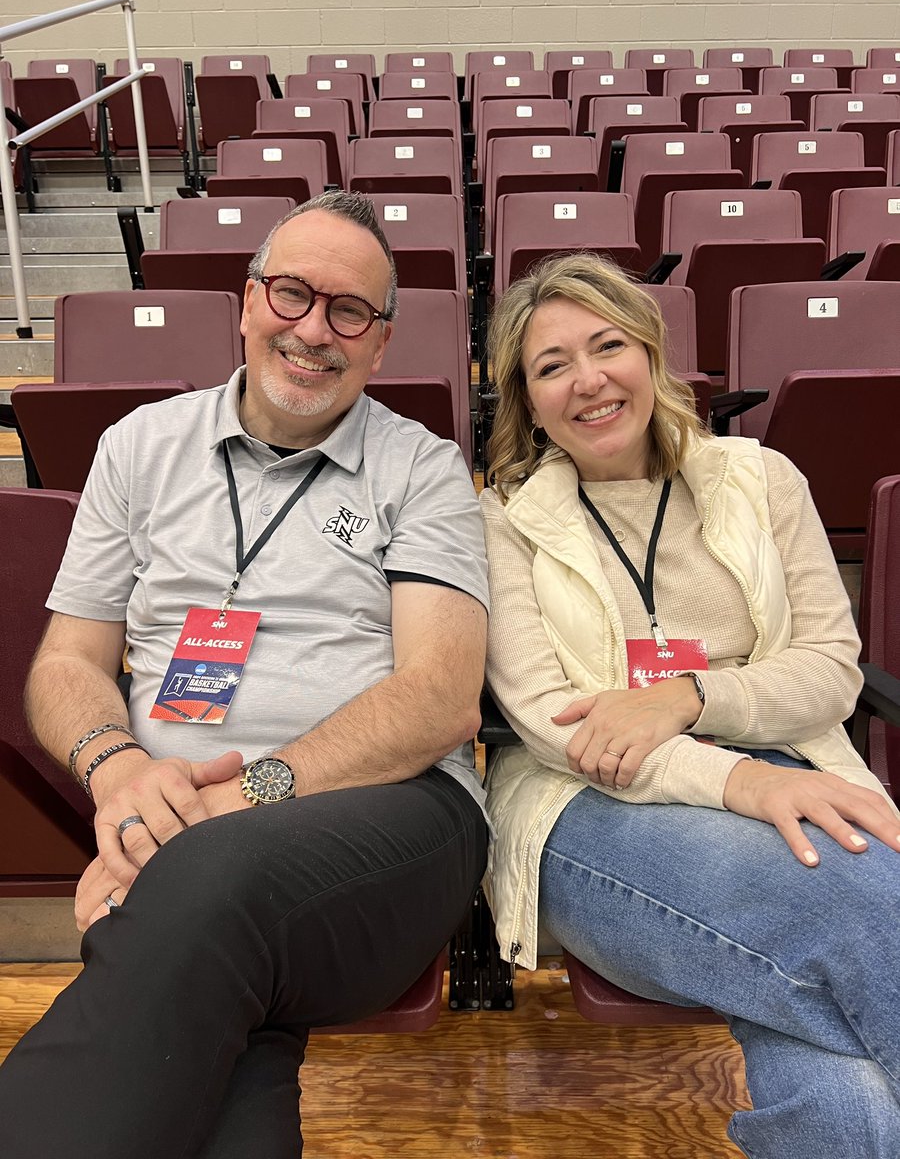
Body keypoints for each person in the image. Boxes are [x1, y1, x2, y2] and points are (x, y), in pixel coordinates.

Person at [0, 191, 489, 1159]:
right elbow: (67, 661)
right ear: (246, 300)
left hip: (395, 822)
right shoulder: (138, 447)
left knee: (200, 893)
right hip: (181, 844)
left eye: (349, 310)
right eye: (293, 294)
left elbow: (440, 698)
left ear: (382, 343)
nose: (315, 330)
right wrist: (120, 778)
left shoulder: (422, 469)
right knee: (221, 1021)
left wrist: (231, 805)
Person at [480, 251, 900, 1157]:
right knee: (864, 909)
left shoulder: (762, 479)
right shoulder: (505, 518)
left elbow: (831, 667)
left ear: (651, 351)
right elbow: (558, 726)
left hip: (796, 774)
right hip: (590, 810)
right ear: (526, 396)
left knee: (851, 1082)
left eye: (607, 346)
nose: (588, 381)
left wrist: (690, 695)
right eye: (552, 366)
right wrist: (741, 781)